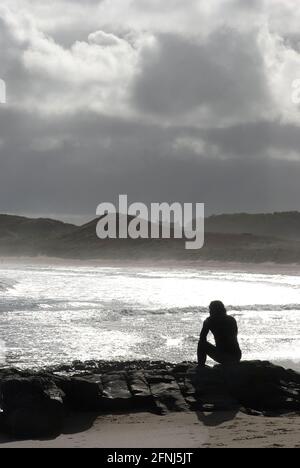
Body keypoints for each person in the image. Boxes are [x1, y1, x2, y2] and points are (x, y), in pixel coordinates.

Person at [198, 300, 242, 367]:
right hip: (236, 356)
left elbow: (202, 338)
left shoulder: (209, 321)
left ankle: (201, 366)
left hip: (224, 357)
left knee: (202, 344)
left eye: (211, 309)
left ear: (215, 310)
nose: (210, 311)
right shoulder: (231, 320)